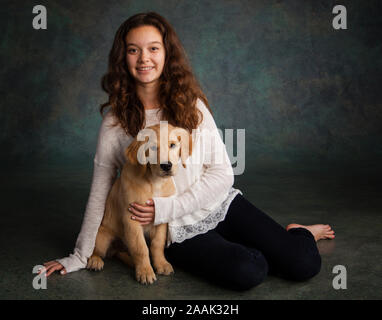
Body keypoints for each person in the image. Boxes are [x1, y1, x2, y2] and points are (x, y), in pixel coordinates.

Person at [42, 12, 335, 291]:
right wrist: (81, 255)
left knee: (303, 263)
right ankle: (253, 246)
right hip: (172, 231)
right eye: (133, 50)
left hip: (215, 204)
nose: (144, 58)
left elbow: (223, 173)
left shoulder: (190, 105)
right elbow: (100, 190)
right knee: (249, 271)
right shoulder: (115, 122)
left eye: (153, 48)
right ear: (123, 58)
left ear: (166, 54)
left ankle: (299, 232)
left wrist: (168, 206)